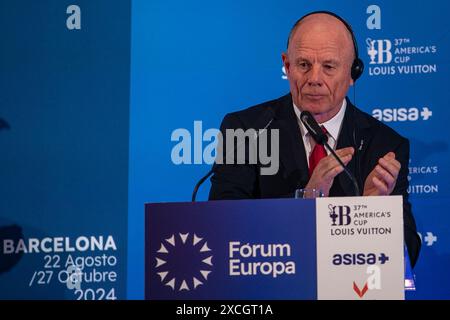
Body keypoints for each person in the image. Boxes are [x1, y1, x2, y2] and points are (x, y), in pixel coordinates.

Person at [208, 11, 421, 267]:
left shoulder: (384, 145)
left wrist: (373, 214)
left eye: (329, 66)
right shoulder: (245, 130)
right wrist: (306, 200)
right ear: (287, 66)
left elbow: (409, 252)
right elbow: (221, 228)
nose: (314, 79)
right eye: (303, 65)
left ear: (353, 73)